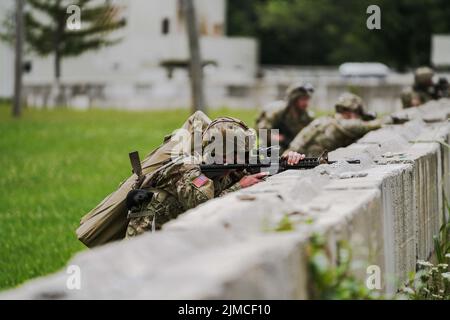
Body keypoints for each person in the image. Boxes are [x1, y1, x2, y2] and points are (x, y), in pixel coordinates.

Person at [126, 116, 305, 238]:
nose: (243, 158)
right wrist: (239, 187)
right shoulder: (187, 170)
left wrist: (285, 162)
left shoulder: (227, 168)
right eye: (239, 153)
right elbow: (203, 208)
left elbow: (259, 172)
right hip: (147, 238)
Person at [284, 93, 389, 157]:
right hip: (306, 163)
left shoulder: (326, 120)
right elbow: (360, 126)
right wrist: (388, 120)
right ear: (351, 112)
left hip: (299, 158)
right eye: (358, 114)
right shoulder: (340, 123)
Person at [256, 83, 315, 153]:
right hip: (274, 146)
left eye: (307, 99)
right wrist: (280, 138)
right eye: (302, 99)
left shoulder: (308, 117)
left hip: (295, 147)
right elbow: (262, 132)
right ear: (294, 99)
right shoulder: (276, 112)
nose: (306, 103)